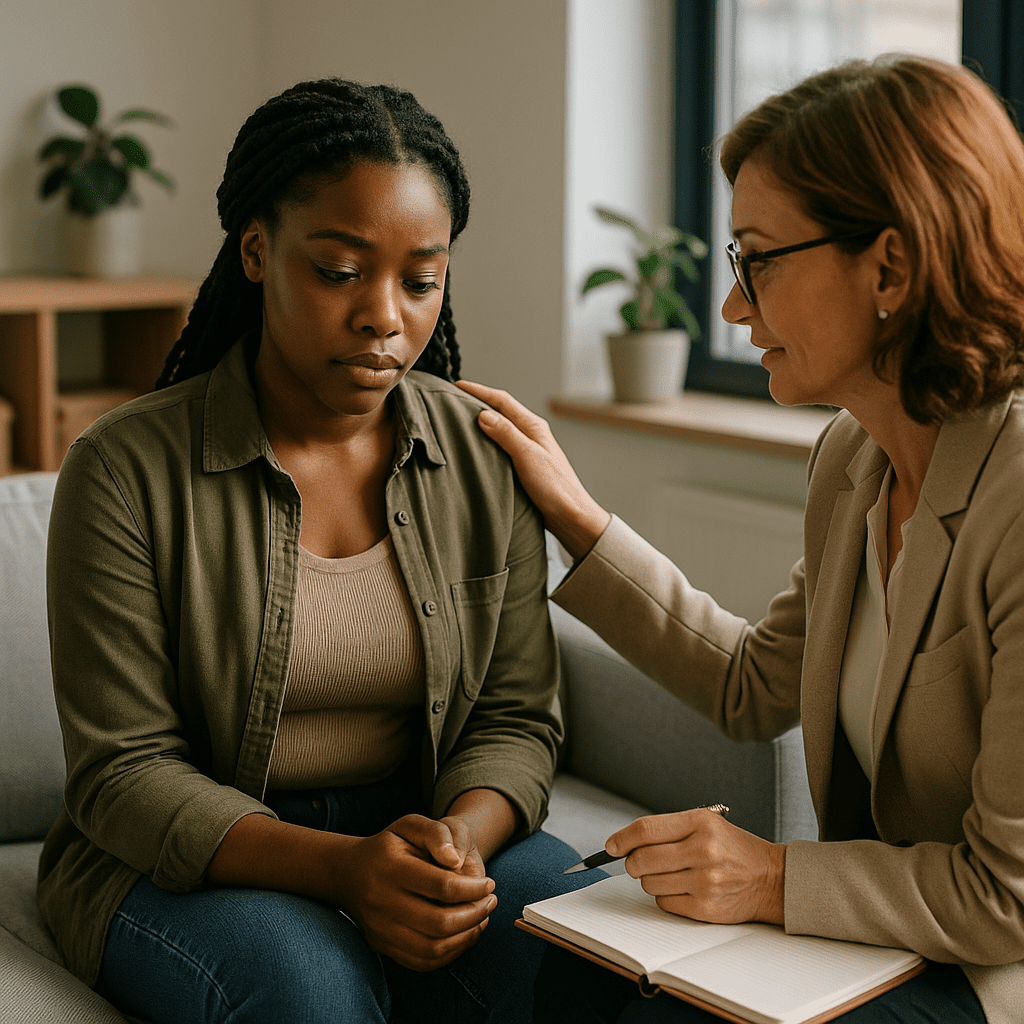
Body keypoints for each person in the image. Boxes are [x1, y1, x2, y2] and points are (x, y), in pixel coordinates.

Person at [458, 55, 1024, 1023]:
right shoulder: (852, 458)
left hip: (992, 964)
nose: (731, 306)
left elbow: (1006, 896)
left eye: (756, 260)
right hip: (883, 930)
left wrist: (767, 879)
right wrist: (575, 518)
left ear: (887, 265)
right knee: (562, 961)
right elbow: (753, 683)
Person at [38, 78, 593, 1024]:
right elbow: (124, 773)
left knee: (583, 945)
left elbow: (516, 716)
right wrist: (344, 870)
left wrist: (456, 842)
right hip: (188, 860)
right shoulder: (123, 470)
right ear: (257, 252)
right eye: (340, 271)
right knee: (310, 990)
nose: (385, 316)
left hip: (414, 821)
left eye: (422, 280)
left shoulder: (481, 457)